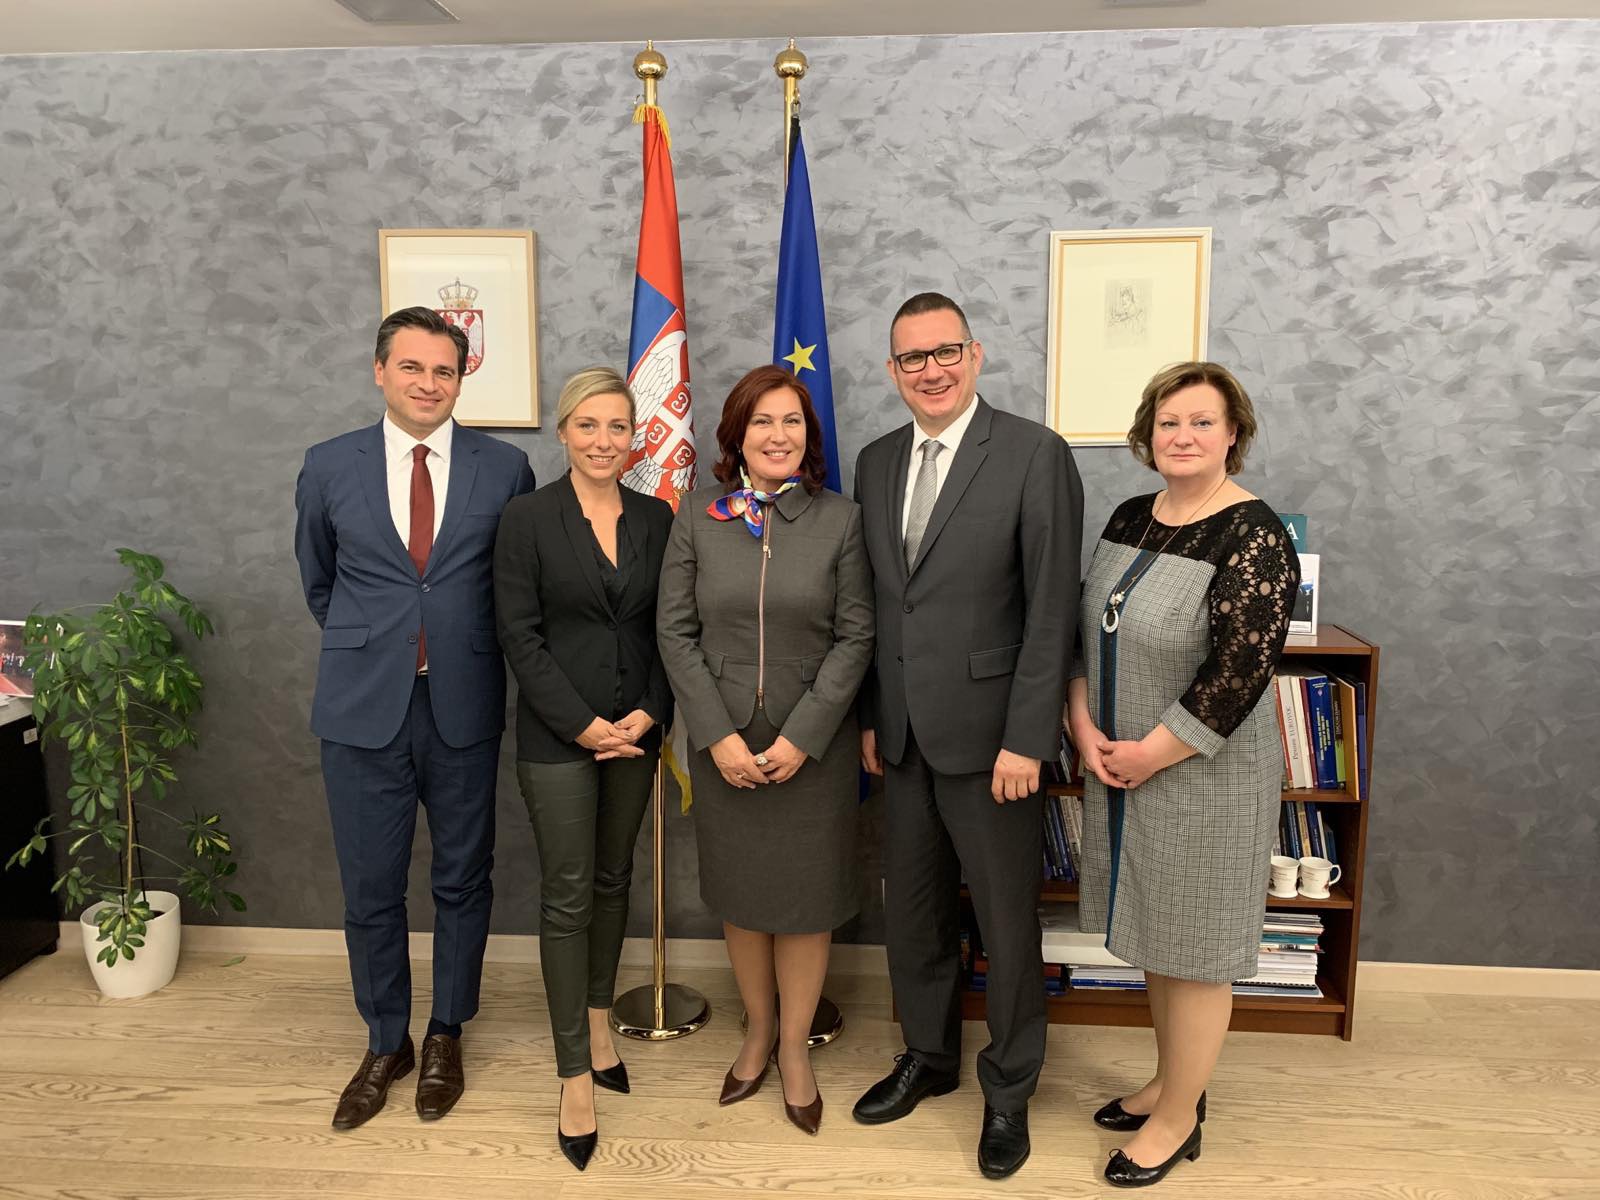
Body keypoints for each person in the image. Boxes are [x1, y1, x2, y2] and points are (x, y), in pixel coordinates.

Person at [851, 292, 1083, 1181]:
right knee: (912, 914)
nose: (932, 370)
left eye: (945, 351)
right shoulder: (876, 462)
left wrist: (1029, 738)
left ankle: (1010, 1086)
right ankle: (929, 1056)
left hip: (995, 745)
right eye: (913, 358)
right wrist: (873, 717)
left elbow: (1051, 608)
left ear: (976, 355)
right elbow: (881, 606)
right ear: (893, 371)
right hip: (903, 735)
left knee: (1005, 923)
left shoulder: (1033, 453)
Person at [294, 306, 535, 1131]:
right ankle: (385, 1039)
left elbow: (512, 585)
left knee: (463, 879)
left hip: (463, 705)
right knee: (371, 887)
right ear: (380, 371)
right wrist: (381, 646)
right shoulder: (330, 465)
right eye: (412, 367)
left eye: (444, 371)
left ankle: (445, 1034)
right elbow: (321, 583)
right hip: (362, 708)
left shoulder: (506, 469)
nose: (428, 384)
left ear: (461, 379)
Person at [1066, 361, 1300, 1188]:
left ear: (1233, 433)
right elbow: (1083, 630)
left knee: (1196, 950)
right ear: (1148, 434)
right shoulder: (1132, 516)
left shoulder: (1256, 535)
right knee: (1158, 935)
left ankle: (1177, 1120)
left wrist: (1148, 753)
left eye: (1202, 421)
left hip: (1204, 778)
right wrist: (1083, 726)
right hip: (1120, 764)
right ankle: (1171, 1083)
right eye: (1169, 422)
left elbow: (1237, 674)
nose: (1184, 436)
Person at [656, 364, 874, 1137]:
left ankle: (793, 1048)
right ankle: (755, 1033)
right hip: (724, 745)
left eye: (792, 422)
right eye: (762, 421)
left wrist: (803, 737)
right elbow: (674, 631)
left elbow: (856, 637)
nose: (777, 435)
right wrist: (715, 735)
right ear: (736, 436)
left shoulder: (841, 520)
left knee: (807, 906)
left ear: (808, 437)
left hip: (811, 749)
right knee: (744, 902)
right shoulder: (696, 515)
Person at [493, 367, 674, 1171]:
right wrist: (582, 724)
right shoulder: (526, 519)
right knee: (568, 896)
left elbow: (672, 626)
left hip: (636, 734)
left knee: (612, 880)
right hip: (558, 738)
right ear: (563, 431)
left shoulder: (657, 517)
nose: (604, 441)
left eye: (618, 427)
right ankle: (573, 1074)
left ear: (635, 436)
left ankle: (601, 1026)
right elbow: (519, 634)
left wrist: (650, 711)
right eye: (588, 425)